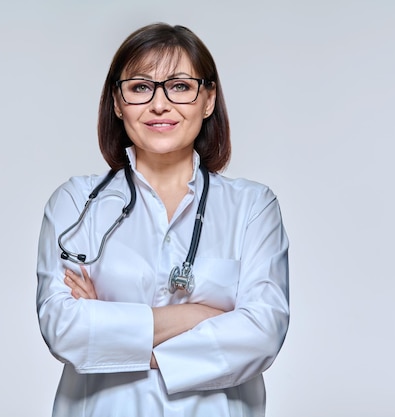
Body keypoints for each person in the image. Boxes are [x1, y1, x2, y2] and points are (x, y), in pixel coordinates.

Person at [36, 22, 289, 417]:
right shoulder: (76, 203)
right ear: (117, 102)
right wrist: (200, 317)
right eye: (140, 87)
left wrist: (114, 334)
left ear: (208, 99)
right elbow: (64, 329)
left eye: (180, 86)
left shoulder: (252, 208)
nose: (159, 104)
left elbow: (261, 334)